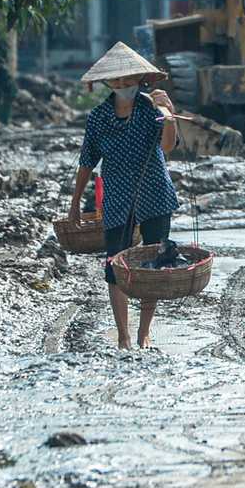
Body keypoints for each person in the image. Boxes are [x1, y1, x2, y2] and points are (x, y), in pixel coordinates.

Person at [69, 41, 180, 351]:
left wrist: (169, 113)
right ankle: (124, 336)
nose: (123, 85)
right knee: (115, 266)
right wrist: (76, 203)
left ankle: (144, 333)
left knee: (152, 265)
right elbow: (87, 162)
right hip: (117, 198)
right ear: (108, 83)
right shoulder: (98, 117)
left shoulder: (151, 108)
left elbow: (169, 146)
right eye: (116, 80)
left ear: (139, 79)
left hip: (154, 194)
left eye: (128, 79)